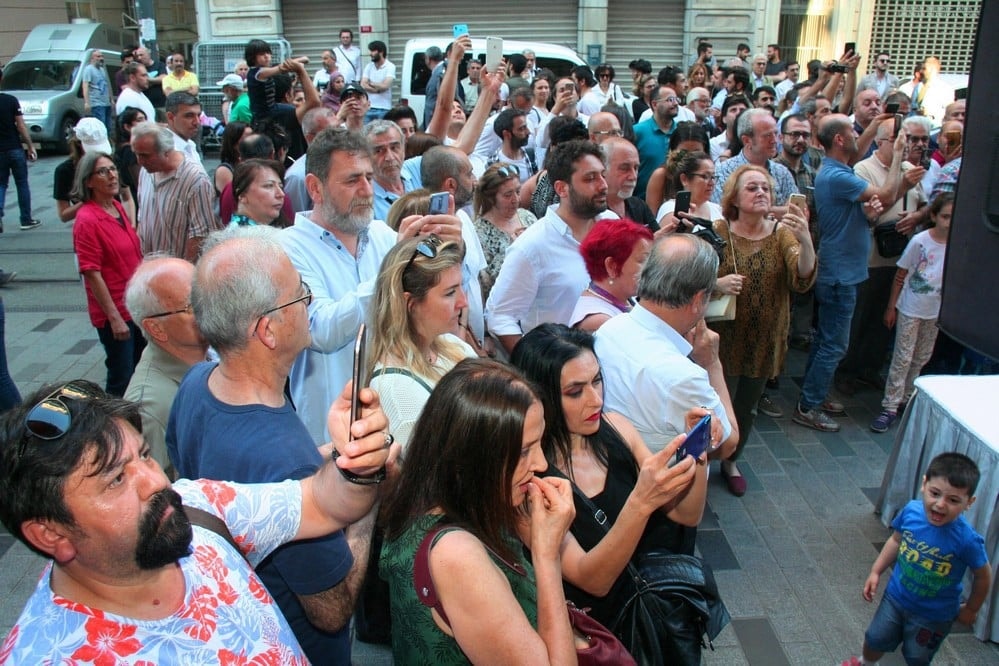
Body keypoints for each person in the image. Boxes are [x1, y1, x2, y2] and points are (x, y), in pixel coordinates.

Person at [0, 370, 393, 663]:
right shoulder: (46, 655)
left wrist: (357, 464)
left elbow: (324, 504)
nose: (155, 481)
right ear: (50, 535)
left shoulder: (195, 505)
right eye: (116, 479)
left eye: (144, 455)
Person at [167, 228, 379, 663]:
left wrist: (329, 462)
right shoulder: (285, 458)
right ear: (267, 330)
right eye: (300, 293)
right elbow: (332, 609)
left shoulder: (194, 384)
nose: (308, 302)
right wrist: (367, 494)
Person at [510, 325, 708, 635]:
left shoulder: (617, 428)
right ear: (540, 399)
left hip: (650, 609)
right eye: (575, 391)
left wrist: (696, 453)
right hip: (596, 631)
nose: (595, 399)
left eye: (597, 380)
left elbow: (687, 514)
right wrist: (641, 502)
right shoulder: (527, 482)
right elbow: (593, 580)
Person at [380, 359, 578, 665]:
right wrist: (547, 556)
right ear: (472, 457)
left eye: (539, 444)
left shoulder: (437, 500)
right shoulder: (458, 555)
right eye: (524, 451)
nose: (540, 464)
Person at [710, 165, 816, 495]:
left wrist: (806, 239)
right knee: (711, 402)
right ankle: (701, 459)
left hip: (762, 340)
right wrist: (718, 283)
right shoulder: (718, 230)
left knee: (746, 408)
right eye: (752, 188)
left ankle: (730, 461)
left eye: (766, 189)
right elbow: (694, 279)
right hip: (720, 341)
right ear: (734, 198)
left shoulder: (781, 233)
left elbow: (801, 278)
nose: (761, 193)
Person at [794, 114, 901, 432]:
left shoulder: (837, 170)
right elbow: (887, 194)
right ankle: (809, 406)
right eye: (852, 131)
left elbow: (856, 150)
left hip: (840, 270)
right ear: (839, 140)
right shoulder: (839, 176)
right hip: (840, 274)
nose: (859, 136)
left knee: (825, 340)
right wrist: (899, 154)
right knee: (835, 345)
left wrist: (871, 127)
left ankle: (811, 394)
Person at [595, 234, 738, 456]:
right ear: (698, 300)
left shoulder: (608, 328)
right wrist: (711, 363)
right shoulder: (684, 377)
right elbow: (728, 443)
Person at [843, 453, 991, 666]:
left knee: (917, 656)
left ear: (969, 502)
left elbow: (983, 576)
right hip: (896, 598)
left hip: (935, 615)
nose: (940, 505)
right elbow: (895, 540)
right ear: (924, 484)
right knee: (875, 638)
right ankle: (865, 662)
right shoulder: (911, 511)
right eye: (935, 493)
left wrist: (971, 609)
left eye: (953, 500)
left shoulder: (967, 539)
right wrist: (876, 571)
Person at [486, 140, 609, 354]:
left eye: (602, 175)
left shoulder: (611, 223)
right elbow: (500, 317)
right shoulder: (532, 246)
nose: (603, 185)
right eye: (590, 178)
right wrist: (539, 368)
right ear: (562, 188)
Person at [368, 235, 476, 450]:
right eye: (450, 293)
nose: (463, 302)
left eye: (461, 287)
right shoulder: (396, 391)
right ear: (410, 304)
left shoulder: (455, 348)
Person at [870, 193, 952, 434]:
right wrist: (891, 306)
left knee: (921, 356)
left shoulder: (958, 244)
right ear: (934, 216)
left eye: (953, 217)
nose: (949, 222)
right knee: (903, 356)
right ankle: (890, 406)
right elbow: (901, 274)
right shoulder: (920, 240)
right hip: (911, 307)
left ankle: (906, 397)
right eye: (945, 216)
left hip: (934, 311)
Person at [123, 257, 206, 476]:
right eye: (191, 306)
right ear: (156, 328)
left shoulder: (208, 358)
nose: (210, 307)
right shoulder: (149, 408)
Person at [71, 151, 145, 396]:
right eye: (103, 171)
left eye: (113, 168)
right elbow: (92, 273)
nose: (112, 175)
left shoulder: (115, 206)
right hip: (116, 312)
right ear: (88, 181)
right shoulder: (87, 220)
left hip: (134, 306)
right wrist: (114, 317)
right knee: (121, 376)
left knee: (138, 368)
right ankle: (111, 425)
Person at [132, 122, 221, 260]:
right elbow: (142, 219)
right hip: (148, 268)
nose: (140, 161)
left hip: (176, 273)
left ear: (166, 152)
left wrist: (183, 272)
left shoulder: (196, 180)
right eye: (137, 154)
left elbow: (201, 235)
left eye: (145, 156)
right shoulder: (146, 172)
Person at [570, 219, 652, 331]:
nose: (651, 268)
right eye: (642, 260)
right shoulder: (599, 321)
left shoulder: (623, 297)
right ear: (612, 266)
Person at [472, 162, 538, 300]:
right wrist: (513, 250)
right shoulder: (479, 232)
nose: (516, 200)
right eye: (508, 195)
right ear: (491, 197)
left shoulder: (527, 217)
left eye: (518, 192)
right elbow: (486, 284)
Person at [0, 64, 40, 232]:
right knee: (22, 183)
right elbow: (21, 126)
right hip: (15, 148)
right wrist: (30, 146)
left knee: (1, 185)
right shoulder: (10, 100)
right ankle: (26, 219)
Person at [645, 122, 711, 216]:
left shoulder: (709, 176)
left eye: (696, 153)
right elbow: (651, 217)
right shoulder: (661, 175)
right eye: (684, 152)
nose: (690, 158)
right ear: (673, 150)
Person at [655, 150, 721, 232]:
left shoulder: (718, 209)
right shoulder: (671, 209)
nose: (712, 183)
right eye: (705, 176)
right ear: (684, 179)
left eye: (713, 177)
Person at [228, 158, 291, 227]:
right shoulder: (240, 236)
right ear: (242, 195)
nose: (281, 194)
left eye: (281, 186)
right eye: (269, 186)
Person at [113, 107, 147, 207]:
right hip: (138, 202)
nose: (145, 123)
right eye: (140, 120)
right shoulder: (129, 151)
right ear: (127, 127)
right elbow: (140, 183)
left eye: (145, 119)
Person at [81, 49, 114, 134]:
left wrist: (111, 99)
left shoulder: (102, 70)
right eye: (98, 56)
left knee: (109, 127)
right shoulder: (88, 69)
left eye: (102, 56)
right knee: (100, 127)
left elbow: (106, 85)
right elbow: (85, 86)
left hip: (106, 103)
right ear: (92, 58)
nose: (101, 58)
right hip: (97, 103)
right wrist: (87, 102)